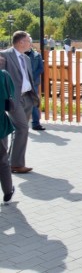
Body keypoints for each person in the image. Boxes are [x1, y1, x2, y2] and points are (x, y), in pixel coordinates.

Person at [0, 31, 39, 174]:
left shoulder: (26, 58)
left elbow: (28, 78)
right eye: (29, 40)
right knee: (22, 128)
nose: (31, 43)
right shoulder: (5, 55)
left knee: (19, 130)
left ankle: (11, 162)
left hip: (27, 98)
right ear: (21, 42)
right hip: (14, 99)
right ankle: (16, 164)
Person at [0, 56, 15, 203]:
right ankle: (8, 192)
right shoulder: (4, 75)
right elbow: (11, 97)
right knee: (2, 159)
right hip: (0, 123)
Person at [25, 39, 46, 131]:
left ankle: (36, 124)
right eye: (26, 42)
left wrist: (32, 76)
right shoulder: (20, 55)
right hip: (22, 83)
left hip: (34, 83)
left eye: (29, 42)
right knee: (21, 103)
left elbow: (41, 68)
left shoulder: (37, 55)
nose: (28, 44)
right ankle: (22, 125)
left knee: (34, 103)